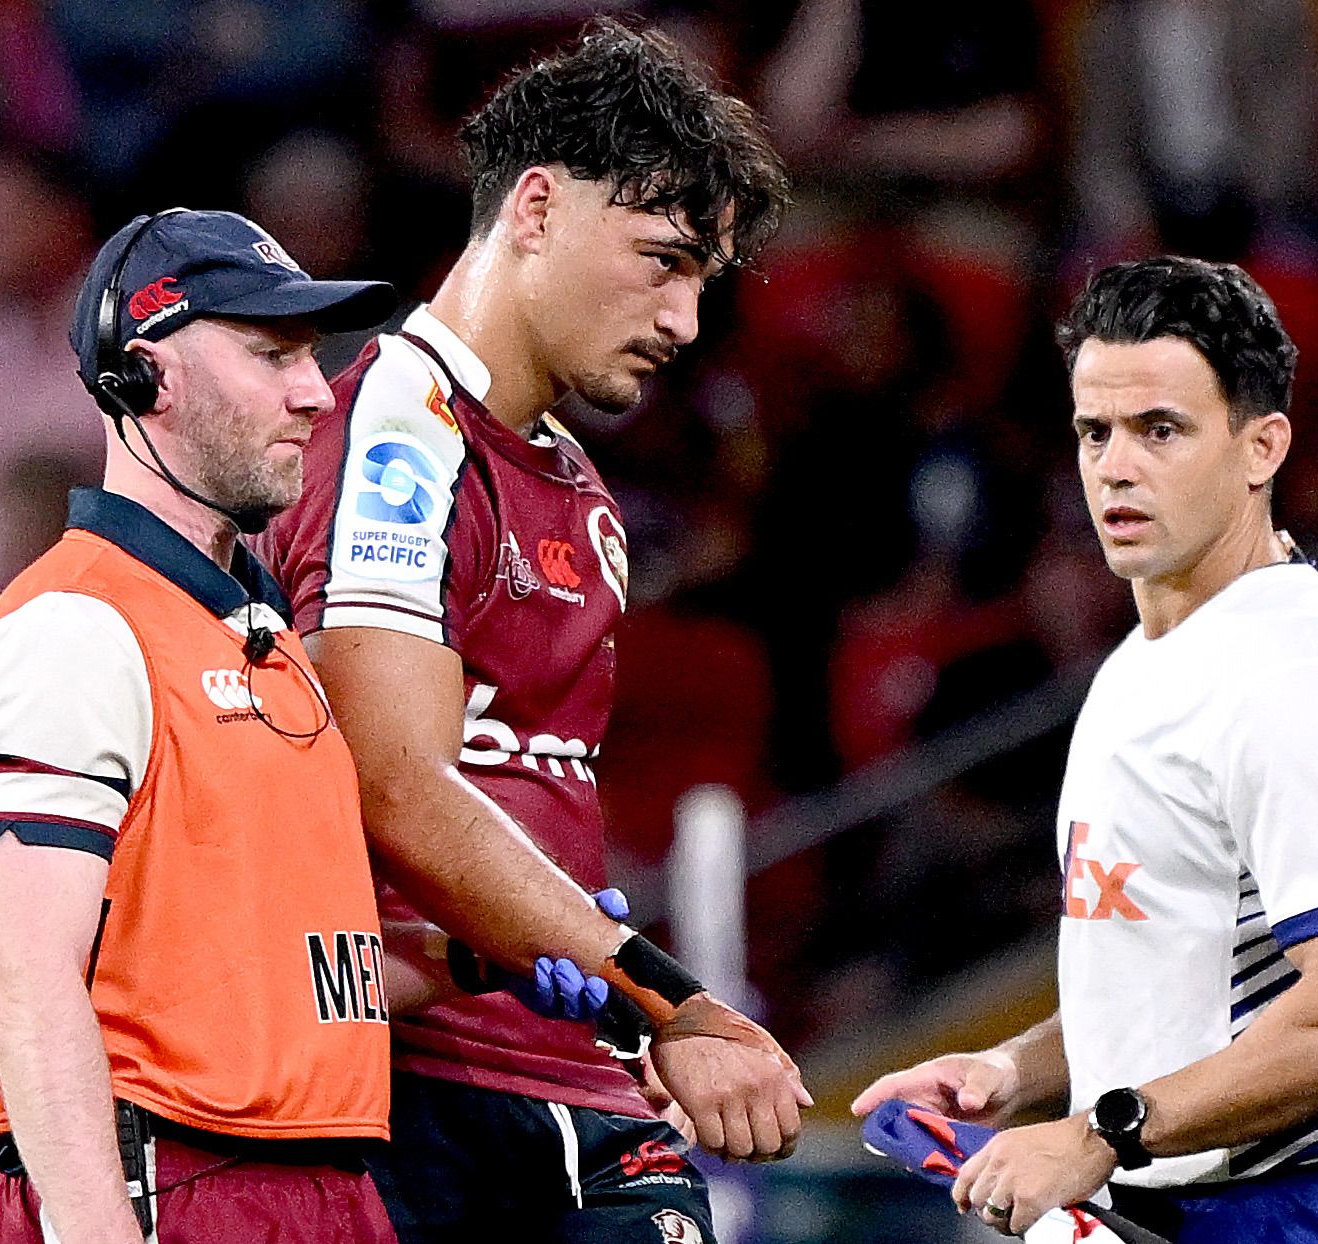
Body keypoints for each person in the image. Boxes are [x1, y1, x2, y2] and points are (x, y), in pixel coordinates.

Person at [256, 19, 803, 1243]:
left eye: (705, 280)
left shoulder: (579, 493)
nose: (686, 320)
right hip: (415, 1097)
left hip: (575, 1082)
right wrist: (671, 1002)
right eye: (663, 261)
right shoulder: (400, 429)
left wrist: (621, 1010)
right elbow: (395, 778)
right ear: (539, 206)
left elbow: (529, 793)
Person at [852, 257, 1318, 1243]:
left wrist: (1098, 1130)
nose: (1115, 466)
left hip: (1299, 1217)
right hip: (1159, 1205)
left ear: (1262, 447)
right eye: (1095, 431)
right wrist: (1007, 1075)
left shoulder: (1303, 673)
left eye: (1159, 430)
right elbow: (1172, 993)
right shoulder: (1143, 659)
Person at [0, 207, 404, 1244]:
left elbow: (269, 974)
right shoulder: (73, 629)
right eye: (269, 351)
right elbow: (26, 981)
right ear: (148, 373)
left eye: (312, 354)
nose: (314, 391)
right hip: (175, 1183)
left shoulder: (259, 640)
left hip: (314, 1179)